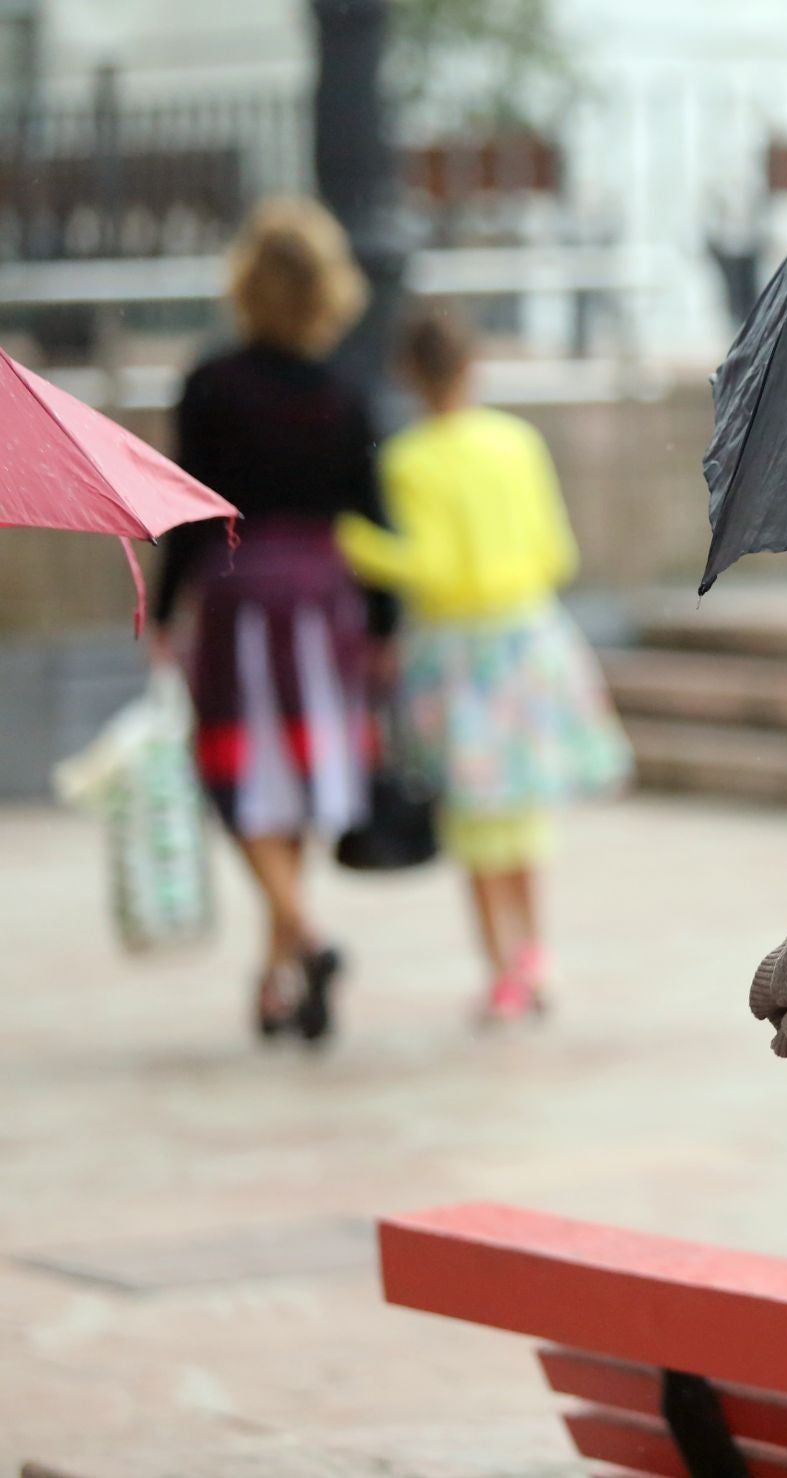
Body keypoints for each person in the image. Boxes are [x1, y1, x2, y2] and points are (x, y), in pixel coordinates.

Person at [336, 309, 630, 1022]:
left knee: (473, 820)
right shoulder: (515, 442)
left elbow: (430, 566)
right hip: (527, 635)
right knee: (522, 809)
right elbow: (556, 551)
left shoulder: (409, 458)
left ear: (409, 374)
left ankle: (501, 968)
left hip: (454, 651)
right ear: (474, 366)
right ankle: (535, 953)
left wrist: (352, 542)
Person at [150, 197, 392, 1045]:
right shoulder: (343, 393)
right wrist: (388, 627)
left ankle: (301, 947)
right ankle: (283, 969)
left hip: (237, 596)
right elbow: (375, 516)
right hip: (325, 604)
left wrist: (161, 605)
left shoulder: (211, 384)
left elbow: (184, 508)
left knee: (238, 780)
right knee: (293, 784)